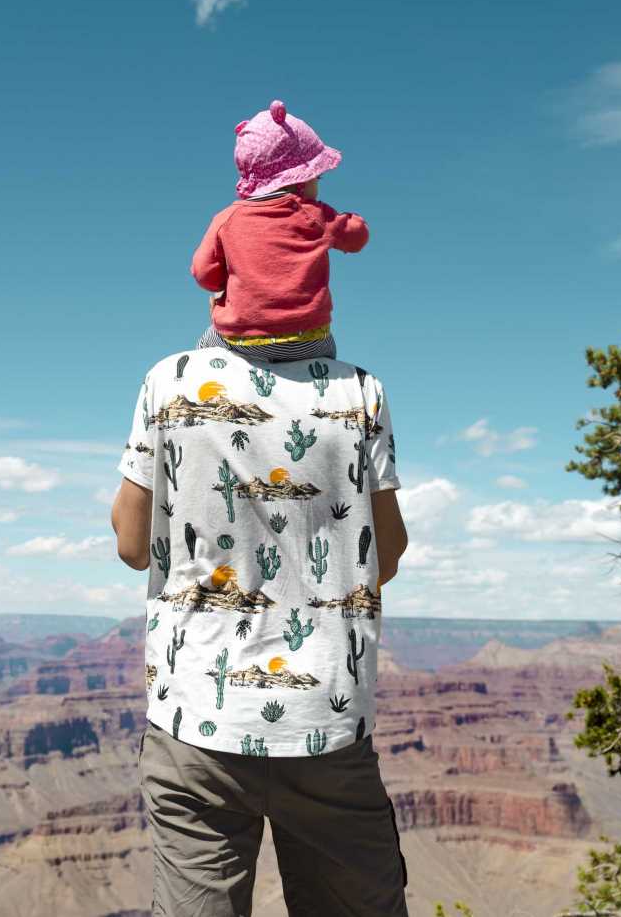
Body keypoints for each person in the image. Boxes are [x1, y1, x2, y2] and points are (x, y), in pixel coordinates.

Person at [110, 340, 410, 916]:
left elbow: (131, 544)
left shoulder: (170, 380)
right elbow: (387, 553)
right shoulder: (358, 390)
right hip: (326, 720)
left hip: (196, 722)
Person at [191, 99, 369, 363]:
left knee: (205, 345)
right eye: (316, 177)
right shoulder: (314, 214)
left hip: (239, 340)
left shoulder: (226, 219)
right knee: (329, 352)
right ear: (298, 181)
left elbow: (203, 274)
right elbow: (358, 237)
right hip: (309, 341)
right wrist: (346, 218)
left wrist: (226, 285)